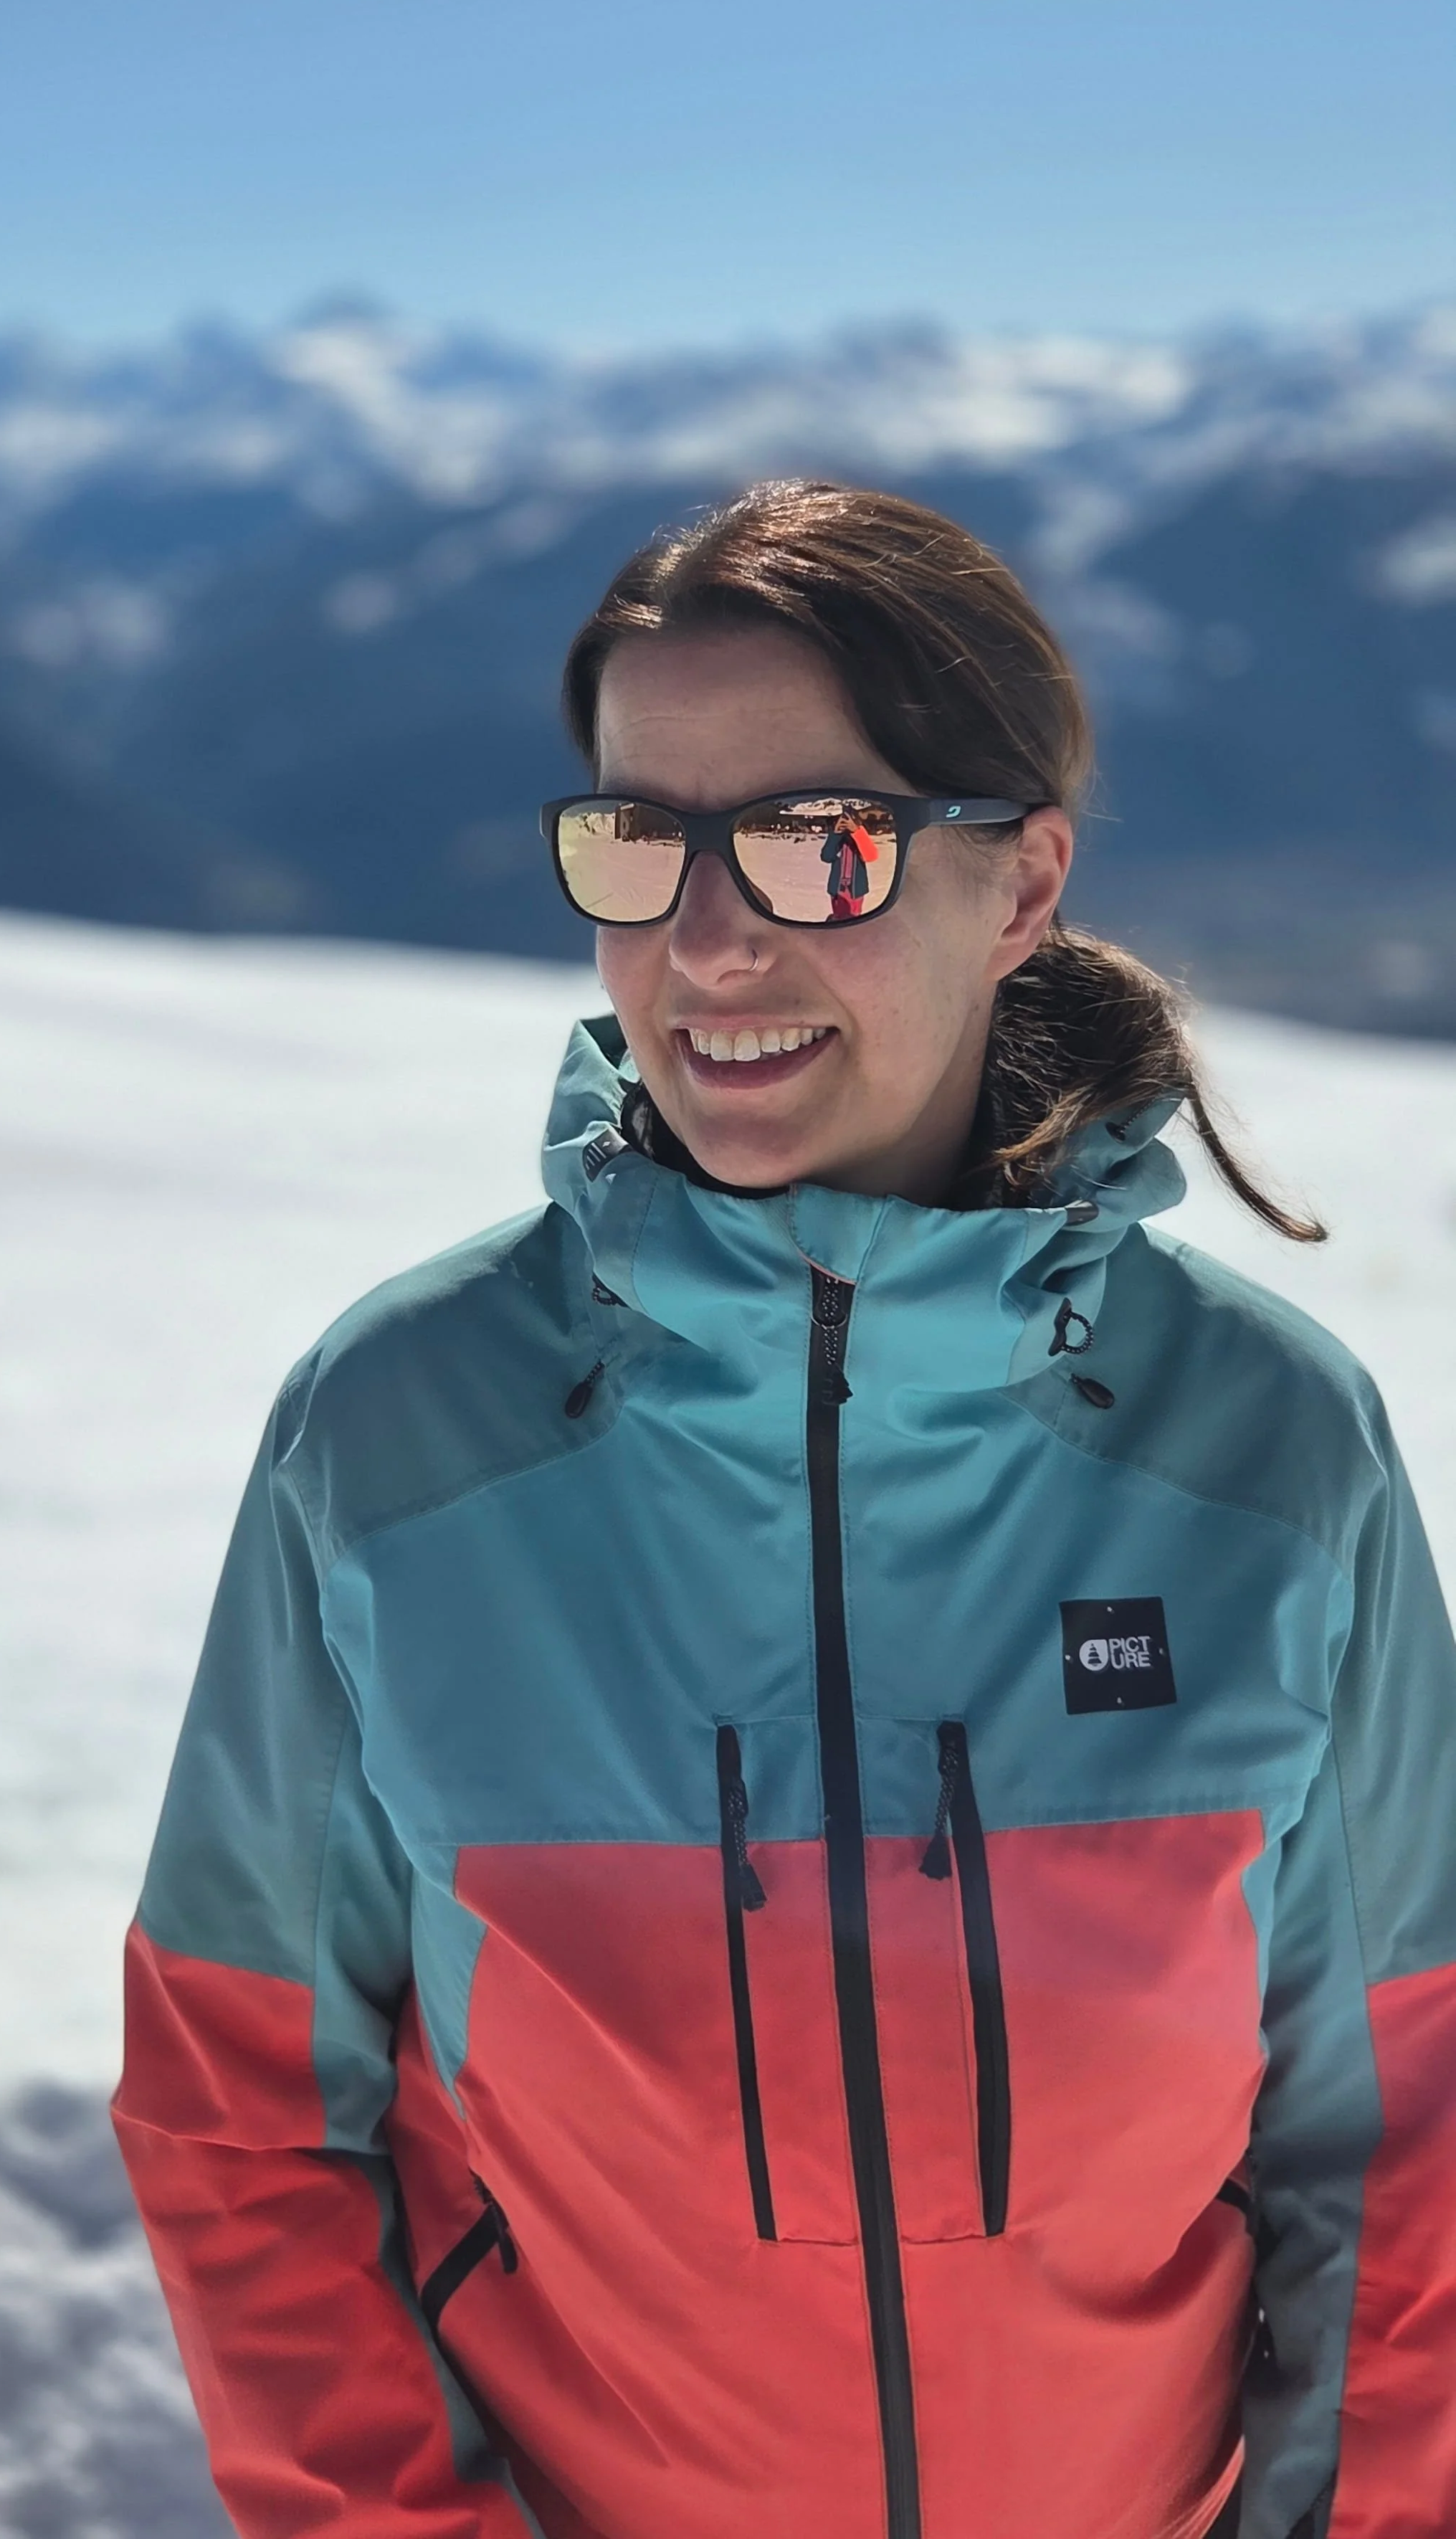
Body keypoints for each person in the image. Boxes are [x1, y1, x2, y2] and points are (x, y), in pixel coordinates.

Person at [113, 482, 1456, 2539]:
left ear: (1020, 885)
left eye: (819, 843)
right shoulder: (402, 1438)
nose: (707, 940)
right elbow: (241, 2111)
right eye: (637, 840)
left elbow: (1408, 2139)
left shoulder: (1262, 1450)